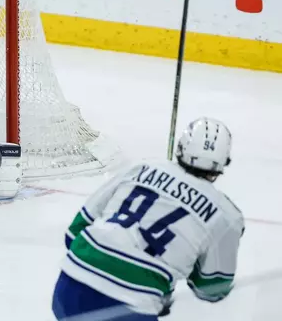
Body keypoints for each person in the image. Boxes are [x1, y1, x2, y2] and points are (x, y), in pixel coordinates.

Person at [52, 117, 244, 320]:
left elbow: (74, 232)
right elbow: (213, 288)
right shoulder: (226, 215)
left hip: (69, 289)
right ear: (223, 163)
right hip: (131, 306)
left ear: (180, 149)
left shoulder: (142, 168)